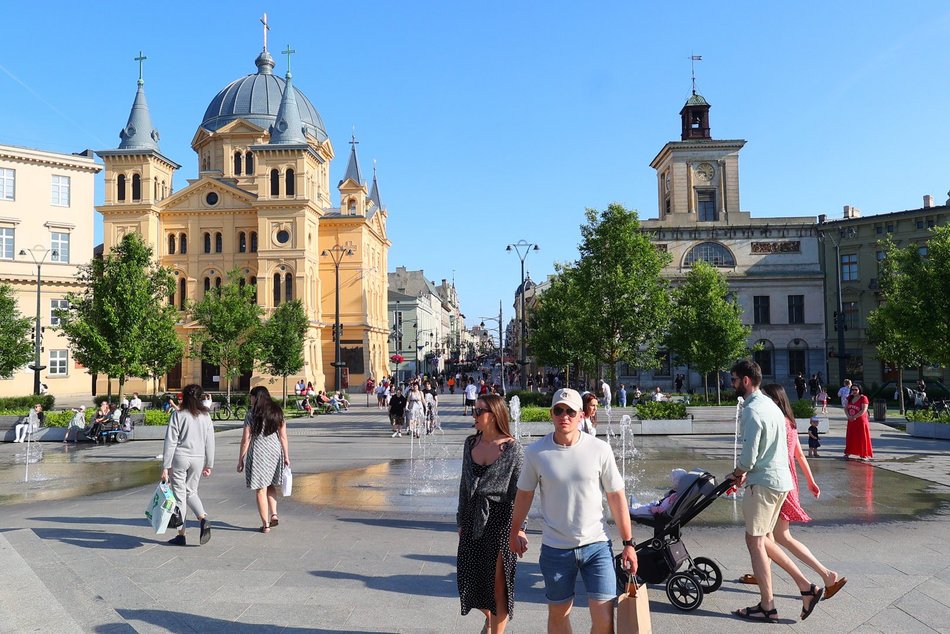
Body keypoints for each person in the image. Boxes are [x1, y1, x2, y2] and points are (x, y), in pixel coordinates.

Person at [509, 388, 637, 634]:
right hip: (556, 549)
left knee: (604, 620)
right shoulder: (536, 452)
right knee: (558, 615)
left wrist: (629, 543)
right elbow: (524, 495)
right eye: (559, 410)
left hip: (596, 545)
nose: (564, 416)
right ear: (551, 414)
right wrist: (515, 531)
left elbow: (616, 497)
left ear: (581, 415)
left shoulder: (599, 449)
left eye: (570, 411)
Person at [736, 384, 847, 617]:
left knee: (774, 536)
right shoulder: (788, 422)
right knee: (768, 536)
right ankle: (782, 582)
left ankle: (823, 576)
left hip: (772, 481)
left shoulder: (778, 421)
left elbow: (773, 454)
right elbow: (797, 454)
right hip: (786, 481)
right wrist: (810, 480)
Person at [727, 360, 809, 624]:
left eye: (734, 379)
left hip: (763, 483)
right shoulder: (772, 406)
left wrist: (737, 473)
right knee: (765, 540)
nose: (732, 384)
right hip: (781, 480)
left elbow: (750, 457)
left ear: (746, 380)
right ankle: (806, 588)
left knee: (756, 541)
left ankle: (769, 605)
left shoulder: (752, 410)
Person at [457, 393, 525, 634]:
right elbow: (464, 486)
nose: (473, 415)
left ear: (494, 415)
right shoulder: (470, 444)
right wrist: (461, 521)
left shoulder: (513, 449)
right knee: (472, 580)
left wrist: (520, 530)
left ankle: (496, 629)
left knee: (498, 585)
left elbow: (521, 493)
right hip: (474, 518)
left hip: (502, 519)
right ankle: (492, 618)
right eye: (473, 410)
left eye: (479, 411)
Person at [162, 384, 215, 546]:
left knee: (179, 495)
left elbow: (171, 441)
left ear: (184, 397)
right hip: (198, 458)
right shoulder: (206, 416)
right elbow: (210, 441)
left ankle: (181, 535)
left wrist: (165, 465)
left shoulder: (179, 415)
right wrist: (209, 463)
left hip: (180, 457)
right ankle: (202, 518)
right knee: (191, 491)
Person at [237, 386, 290, 533]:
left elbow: (246, 439)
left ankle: (265, 524)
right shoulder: (277, 411)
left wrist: (240, 459)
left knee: (261, 488)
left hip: (259, 451)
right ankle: (274, 514)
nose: (250, 399)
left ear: (256, 397)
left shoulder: (252, 414)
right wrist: (286, 456)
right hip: (274, 450)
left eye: (251, 396)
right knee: (271, 484)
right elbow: (283, 436)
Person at [844, 383, 873, 461]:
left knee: (862, 437)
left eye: (856, 389)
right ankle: (848, 452)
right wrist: (848, 416)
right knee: (851, 436)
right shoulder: (849, 398)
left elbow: (864, 410)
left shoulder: (863, 398)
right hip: (851, 420)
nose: (854, 391)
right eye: (852, 389)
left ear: (859, 390)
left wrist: (854, 417)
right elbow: (846, 408)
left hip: (861, 421)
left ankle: (864, 454)